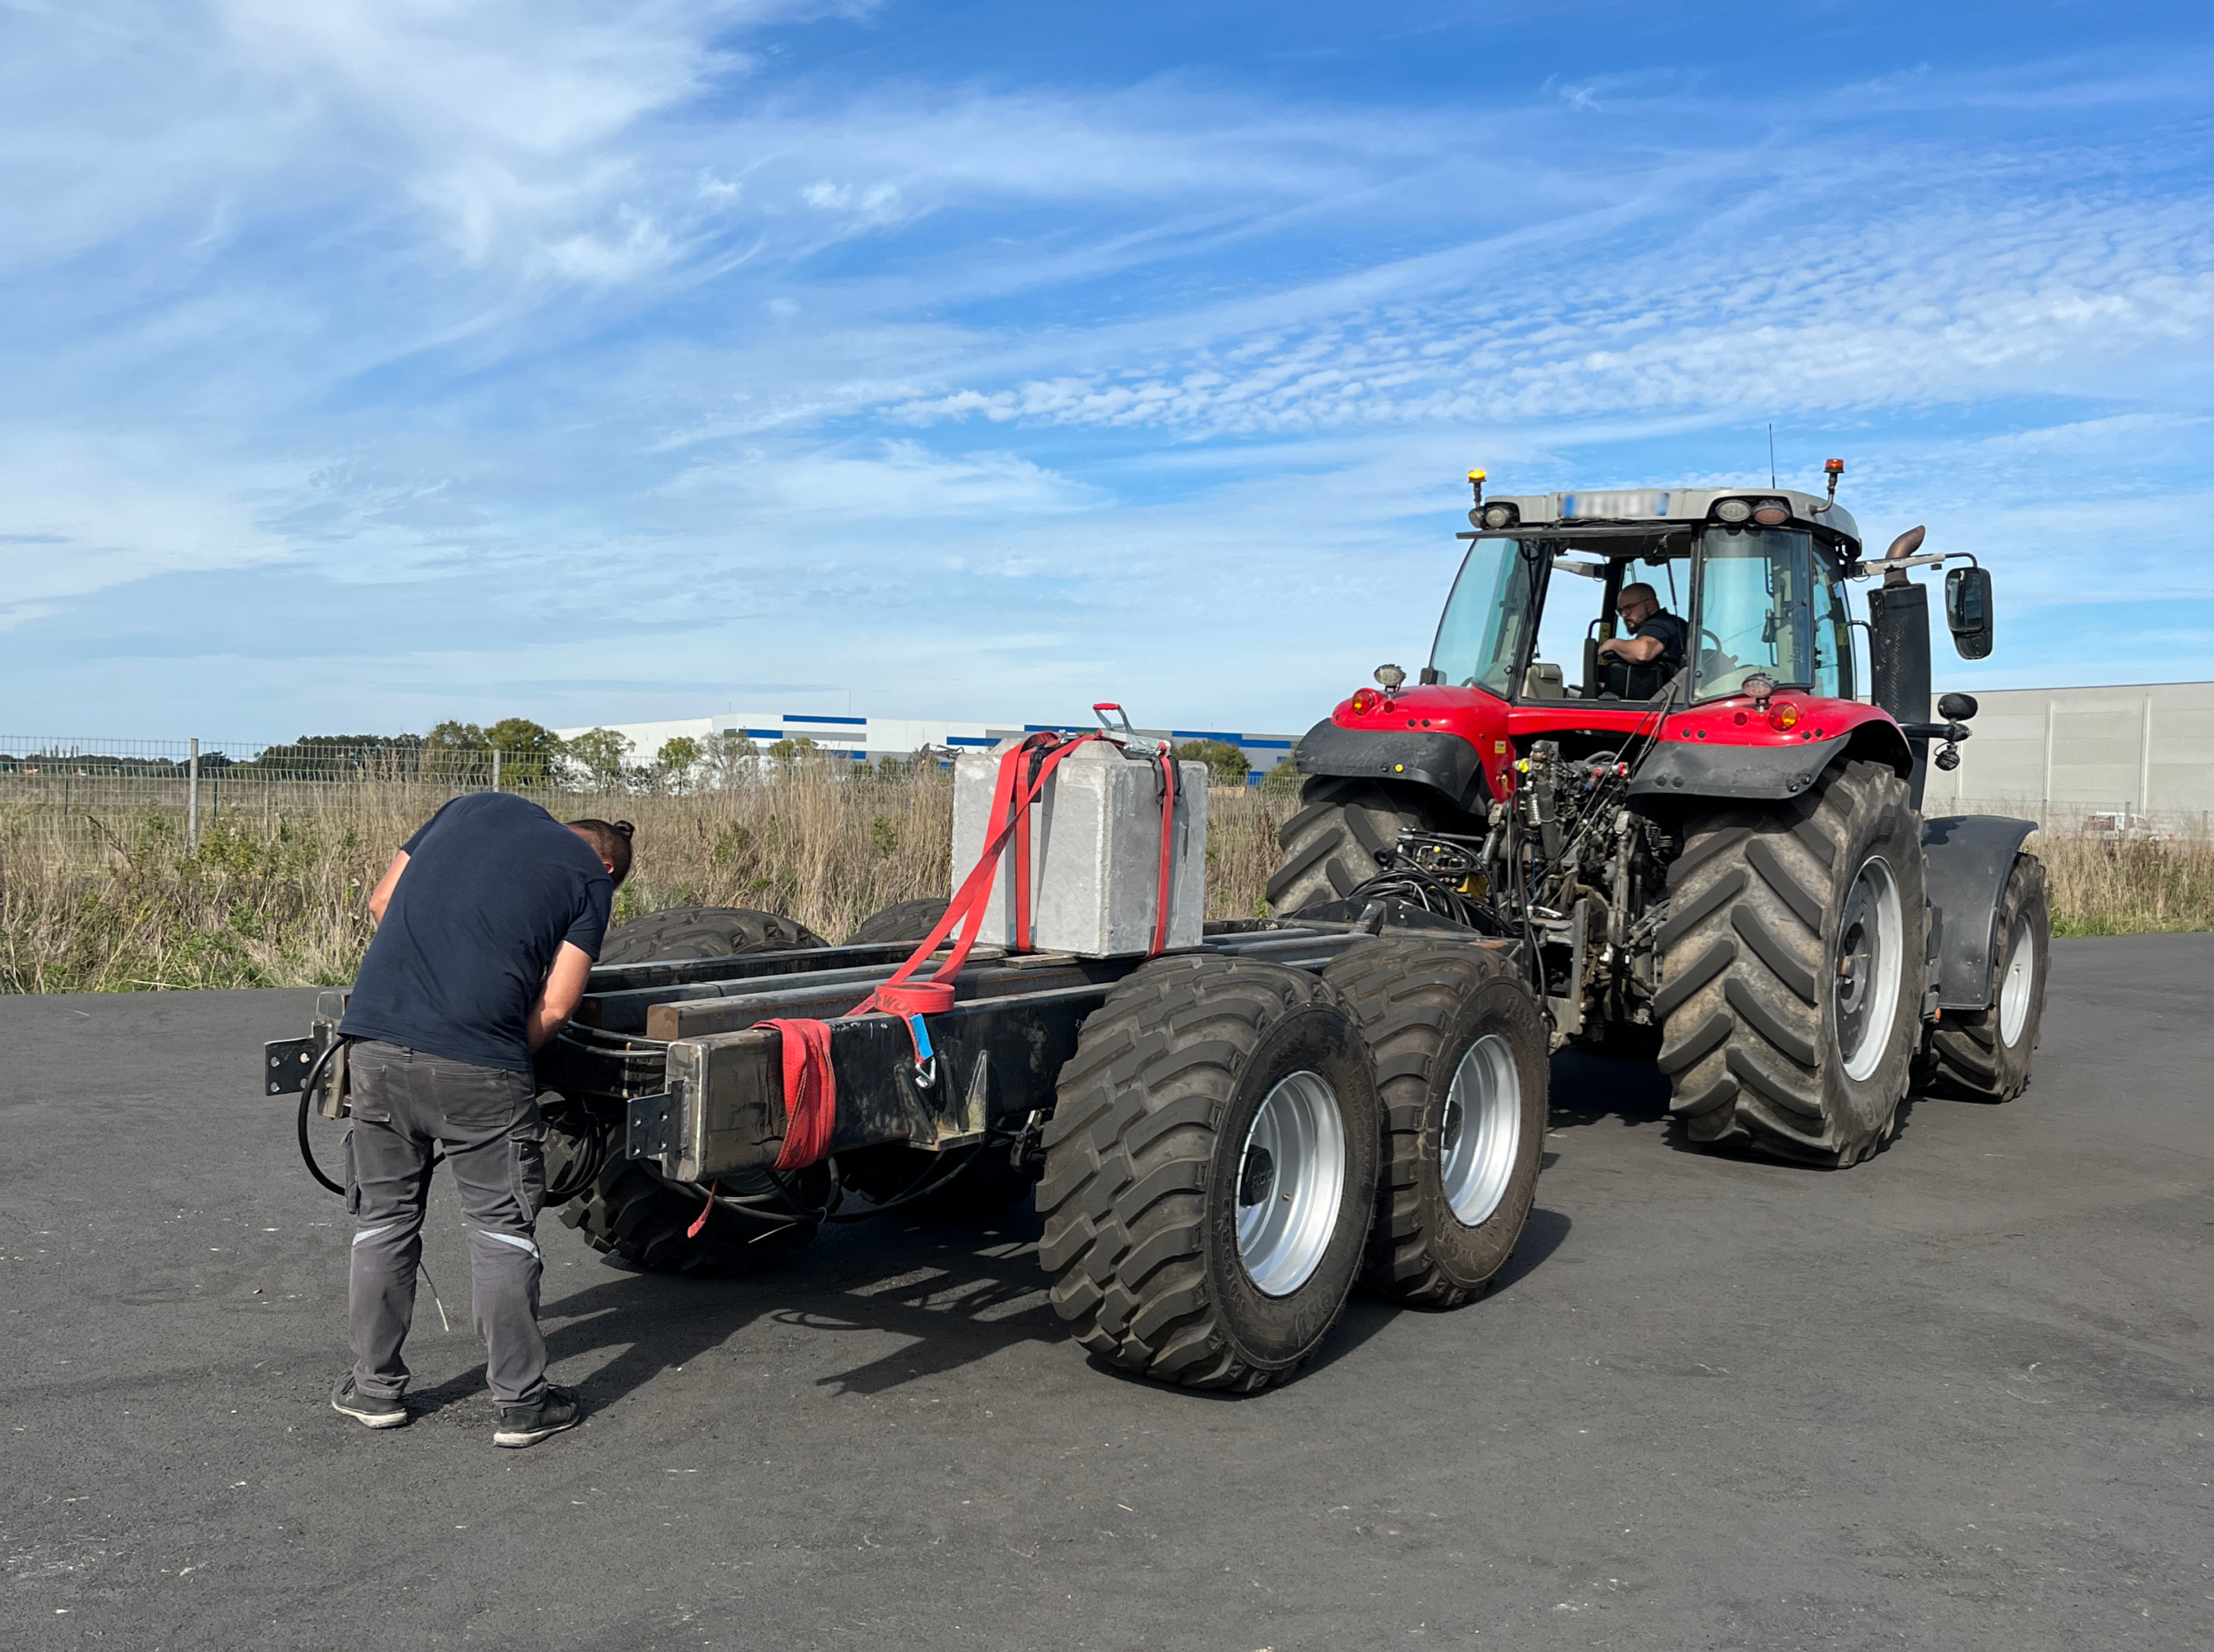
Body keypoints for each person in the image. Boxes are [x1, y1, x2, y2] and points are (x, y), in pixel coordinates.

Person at [326, 792, 634, 1449]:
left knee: (382, 1221)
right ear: (609, 868)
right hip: (481, 1065)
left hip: (374, 1045)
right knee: (500, 1232)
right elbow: (556, 1003)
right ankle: (522, 1405)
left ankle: (375, 1390)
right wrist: (488, 1048)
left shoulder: (470, 807)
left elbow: (382, 902)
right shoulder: (587, 879)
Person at [1594, 581, 1687, 700]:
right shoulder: (1675, 624)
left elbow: (1642, 653)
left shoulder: (1658, 624)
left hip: (1660, 707)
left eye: (1628, 608)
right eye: (1620, 610)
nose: (1623, 615)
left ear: (1650, 605)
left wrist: (1613, 643)